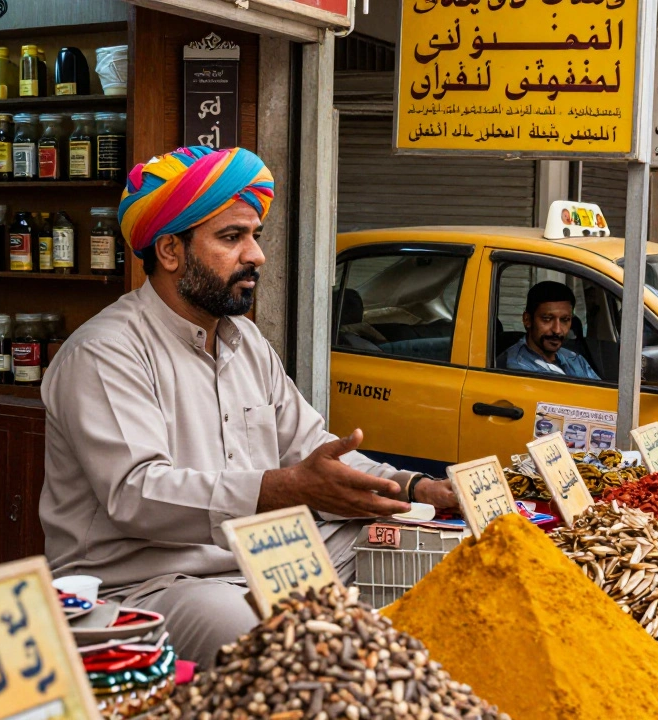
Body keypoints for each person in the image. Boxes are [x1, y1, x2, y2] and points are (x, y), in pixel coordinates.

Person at [40, 146, 458, 668]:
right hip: (155, 582)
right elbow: (136, 493)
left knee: (444, 559)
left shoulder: (245, 342)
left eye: (254, 236)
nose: (256, 255)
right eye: (232, 237)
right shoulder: (105, 351)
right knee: (289, 642)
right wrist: (277, 491)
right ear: (170, 251)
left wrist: (417, 489)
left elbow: (313, 453)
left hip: (270, 554)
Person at [503, 281, 600, 379]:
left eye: (565, 320)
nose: (557, 330)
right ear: (527, 320)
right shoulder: (515, 368)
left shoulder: (573, 358)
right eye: (547, 319)